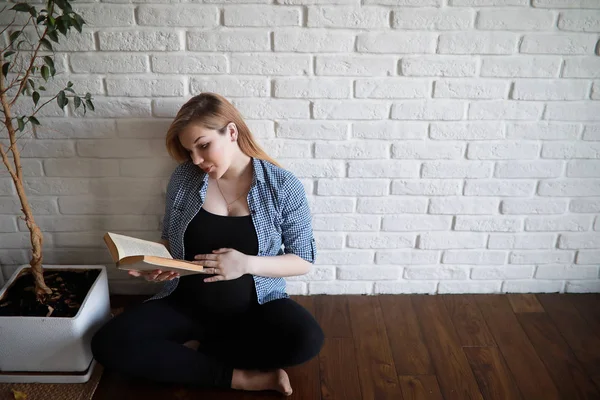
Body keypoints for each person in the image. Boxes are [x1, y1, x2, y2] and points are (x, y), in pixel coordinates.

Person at [91, 92, 324, 396]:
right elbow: (170, 241)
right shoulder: (184, 179)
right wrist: (157, 266)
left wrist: (246, 263)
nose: (196, 160)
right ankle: (240, 377)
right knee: (107, 344)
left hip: (254, 310)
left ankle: (196, 352)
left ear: (230, 132)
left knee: (307, 339)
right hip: (185, 304)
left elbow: (303, 259)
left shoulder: (281, 185)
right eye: (190, 151)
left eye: (203, 146)